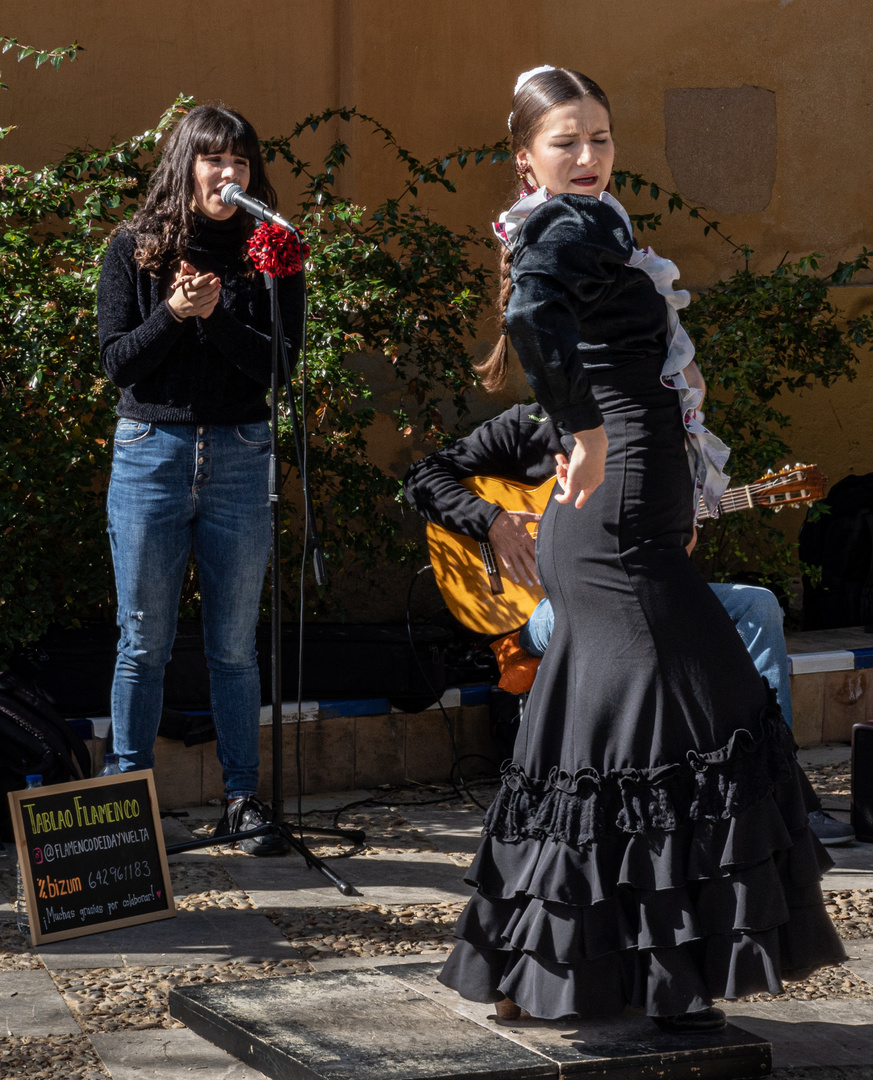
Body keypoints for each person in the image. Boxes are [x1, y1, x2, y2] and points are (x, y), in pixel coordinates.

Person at [434, 67, 845, 1029]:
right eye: (566, 141)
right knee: (706, 712)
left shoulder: (580, 224)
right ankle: (657, 975)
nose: (588, 157)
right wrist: (579, 431)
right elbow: (531, 320)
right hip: (613, 518)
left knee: (591, 734)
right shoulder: (568, 226)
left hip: (630, 516)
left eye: (601, 139)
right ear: (525, 156)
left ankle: (545, 972)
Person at [404, 401, 855, 845]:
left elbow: (654, 552)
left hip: (628, 593)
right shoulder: (533, 422)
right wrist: (494, 522)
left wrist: (676, 541)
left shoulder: (659, 433)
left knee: (756, 606)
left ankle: (782, 788)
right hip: (537, 607)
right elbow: (421, 477)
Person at [97, 104, 305, 855]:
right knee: (143, 640)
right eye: (215, 160)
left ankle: (244, 801)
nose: (230, 174)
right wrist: (176, 314)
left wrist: (213, 317)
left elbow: (279, 367)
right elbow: (118, 362)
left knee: (233, 645)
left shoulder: (272, 252)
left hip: (241, 454)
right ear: (186, 165)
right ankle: (129, 802)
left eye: (242, 163)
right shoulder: (135, 247)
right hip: (152, 450)